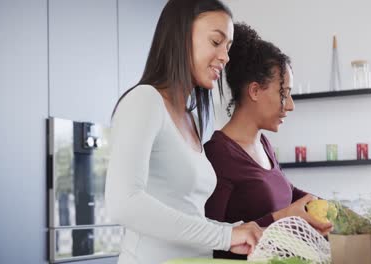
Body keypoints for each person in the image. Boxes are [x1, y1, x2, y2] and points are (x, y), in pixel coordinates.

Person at [104, 2, 262, 263]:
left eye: (228, 47)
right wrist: (225, 236)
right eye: (215, 41)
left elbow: (187, 213)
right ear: (179, 37)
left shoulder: (194, 119)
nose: (225, 56)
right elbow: (124, 203)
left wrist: (232, 232)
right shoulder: (145, 101)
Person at [204, 23, 333, 260]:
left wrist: (329, 209)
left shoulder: (262, 144)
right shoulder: (217, 154)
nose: (290, 105)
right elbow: (211, 240)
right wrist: (285, 216)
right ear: (255, 91)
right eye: (284, 93)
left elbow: (286, 192)